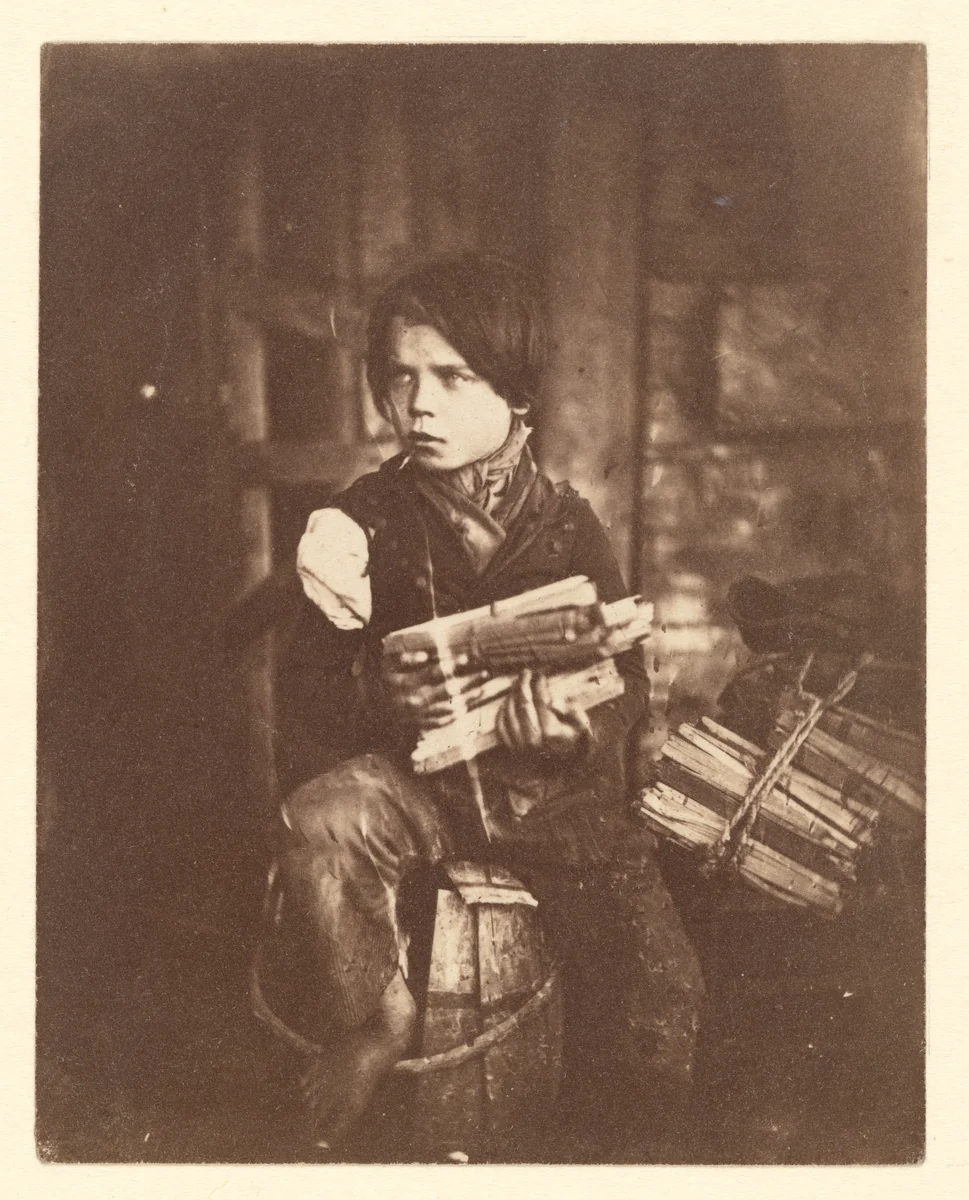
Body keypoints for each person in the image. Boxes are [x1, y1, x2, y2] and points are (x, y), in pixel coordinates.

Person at [265, 253, 704, 1161]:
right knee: (323, 819)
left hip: (552, 804)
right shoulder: (360, 526)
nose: (419, 405)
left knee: (657, 995)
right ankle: (376, 1021)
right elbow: (303, 693)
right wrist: (377, 695)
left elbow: (625, 681)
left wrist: (572, 732)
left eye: (453, 378)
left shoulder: (566, 523)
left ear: (514, 391)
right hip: (420, 787)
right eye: (401, 377)